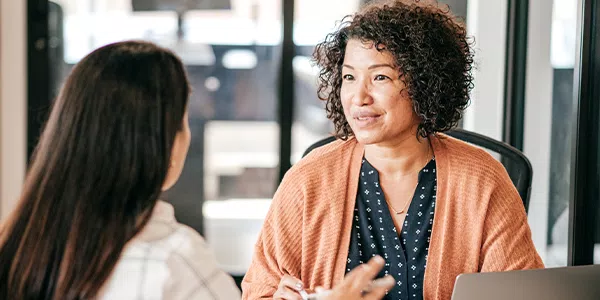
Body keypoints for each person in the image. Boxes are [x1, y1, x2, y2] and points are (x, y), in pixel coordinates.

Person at [0, 40, 395, 300]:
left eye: (380, 76)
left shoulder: (21, 247)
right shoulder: (173, 258)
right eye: (183, 120)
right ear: (159, 141)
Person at [242, 1, 544, 299]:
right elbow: (260, 290)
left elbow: (521, 290)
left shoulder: (482, 180)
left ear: (424, 83)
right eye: (349, 77)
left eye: (380, 77)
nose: (358, 97)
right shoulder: (308, 181)